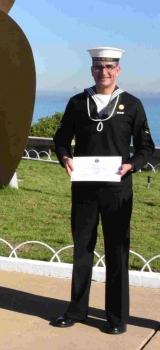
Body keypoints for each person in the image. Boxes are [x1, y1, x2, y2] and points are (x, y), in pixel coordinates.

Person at [52, 47, 154, 335]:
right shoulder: (76, 102)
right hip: (84, 189)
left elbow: (146, 147)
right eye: (99, 67)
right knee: (82, 249)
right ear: (92, 70)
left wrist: (131, 165)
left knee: (117, 251)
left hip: (117, 190)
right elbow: (60, 141)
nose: (104, 72)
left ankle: (117, 317)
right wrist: (65, 158)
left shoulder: (132, 104)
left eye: (110, 67)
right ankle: (76, 310)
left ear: (118, 70)